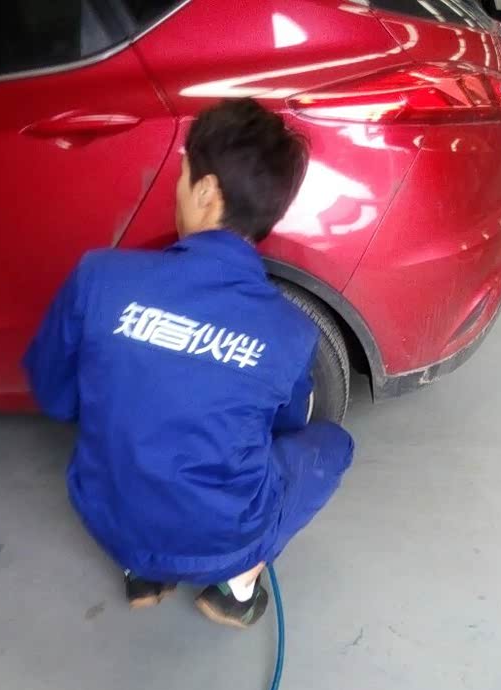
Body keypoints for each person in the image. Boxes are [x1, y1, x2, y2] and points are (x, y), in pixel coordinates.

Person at [24, 98, 353, 629]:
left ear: (206, 192)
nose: (176, 190)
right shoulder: (292, 332)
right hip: (219, 543)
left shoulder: (98, 276)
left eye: (181, 176)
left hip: (105, 515)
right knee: (332, 445)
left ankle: (143, 573)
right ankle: (235, 589)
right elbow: (283, 431)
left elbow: (54, 394)